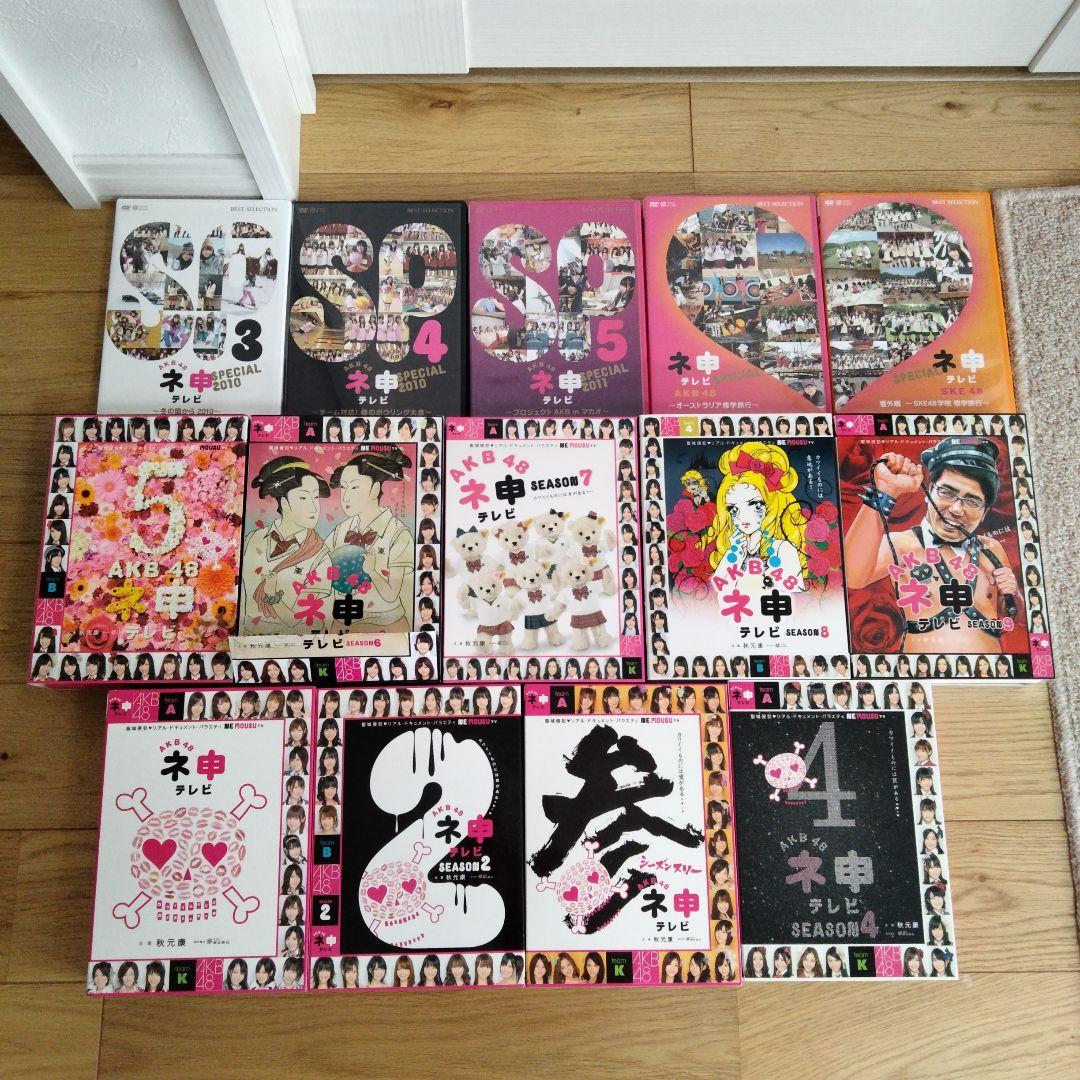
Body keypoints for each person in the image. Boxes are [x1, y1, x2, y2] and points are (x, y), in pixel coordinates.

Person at [845, 437, 1020, 654]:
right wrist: (885, 491)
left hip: (991, 672)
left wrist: (1012, 593)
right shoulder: (902, 544)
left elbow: (1010, 614)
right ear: (929, 493)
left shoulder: (991, 549)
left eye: (972, 501)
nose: (956, 509)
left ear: (984, 513)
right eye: (946, 492)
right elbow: (852, 576)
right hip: (923, 672)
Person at [241, 456, 332, 635]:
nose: (314, 507)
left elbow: (305, 621)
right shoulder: (253, 538)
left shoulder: (320, 556)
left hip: (296, 642)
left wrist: (271, 595)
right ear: (284, 503)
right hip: (249, 637)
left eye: (315, 497)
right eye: (303, 498)